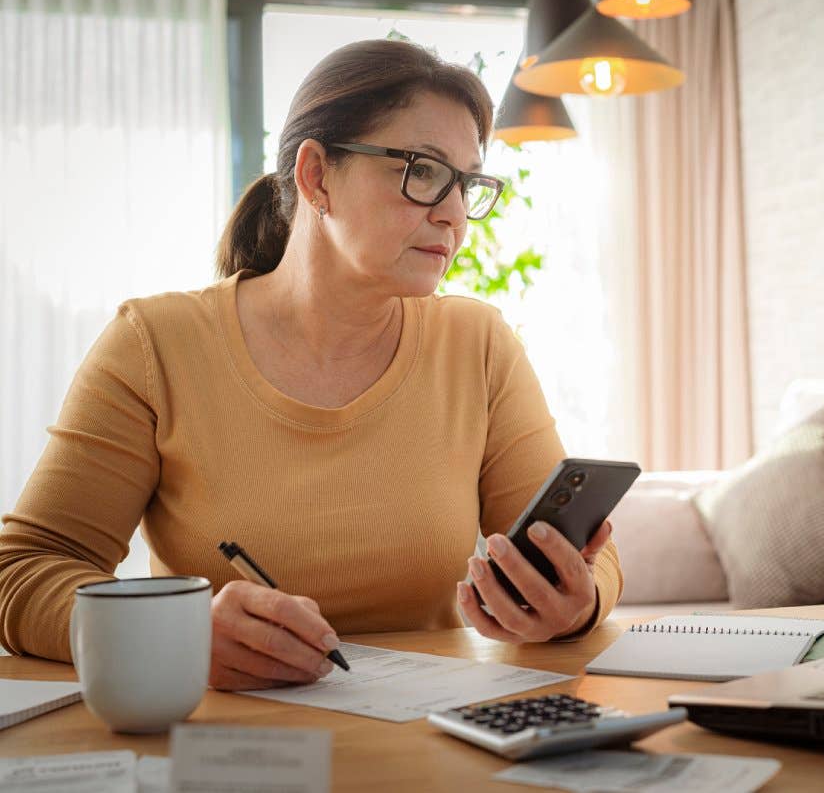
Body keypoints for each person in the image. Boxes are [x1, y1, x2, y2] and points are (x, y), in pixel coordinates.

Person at [0, 39, 622, 690]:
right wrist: (174, 634)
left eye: (467, 184)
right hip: (230, 751)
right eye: (423, 170)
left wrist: (576, 603)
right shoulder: (155, 344)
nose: (454, 214)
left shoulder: (479, 342)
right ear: (316, 175)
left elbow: (589, 558)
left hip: (432, 742)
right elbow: (23, 571)